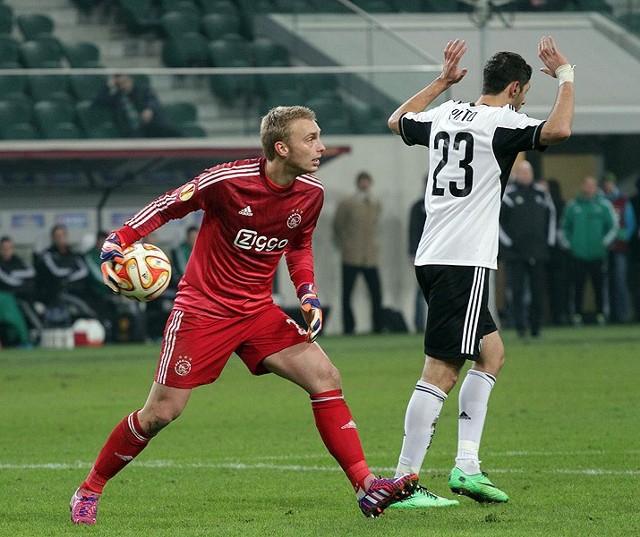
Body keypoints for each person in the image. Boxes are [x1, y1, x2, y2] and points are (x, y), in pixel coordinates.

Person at [69, 105, 418, 526]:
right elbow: (168, 205)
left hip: (257, 311)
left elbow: (298, 245)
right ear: (280, 147)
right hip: (203, 310)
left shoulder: (312, 193)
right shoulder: (226, 181)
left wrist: (307, 292)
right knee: (161, 412)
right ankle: (89, 489)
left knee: (325, 377)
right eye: (311, 139)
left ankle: (366, 486)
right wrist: (118, 239)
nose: (321, 146)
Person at [386, 36, 574, 509]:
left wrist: (442, 82)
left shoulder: (447, 113)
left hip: (433, 255)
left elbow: (397, 122)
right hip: (463, 259)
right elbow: (558, 131)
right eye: (526, 92)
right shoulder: (502, 123)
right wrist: (567, 76)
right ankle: (402, 482)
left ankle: (467, 467)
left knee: (491, 354)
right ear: (514, 88)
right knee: (442, 370)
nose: (525, 101)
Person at [499, 159, 556, 339]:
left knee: (538, 291)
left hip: (538, 251)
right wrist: (509, 243)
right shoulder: (509, 195)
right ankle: (520, 327)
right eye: (522, 172)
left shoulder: (542, 194)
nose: (526, 176)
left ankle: (536, 327)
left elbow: (551, 217)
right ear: (517, 175)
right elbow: (498, 222)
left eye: (528, 172)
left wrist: (548, 242)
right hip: (515, 253)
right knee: (516, 291)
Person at [562, 176, 618, 326]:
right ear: (582, 186)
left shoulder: (604, 205)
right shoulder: (573, 206)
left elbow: (613, 226)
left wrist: (604, 243)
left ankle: (601, 314)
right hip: (578, 254)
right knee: (577, 286)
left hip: (598, 254)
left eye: (592, 185)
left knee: (599, 286)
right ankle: (576, 315)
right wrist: (569, 244)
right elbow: (564, 227)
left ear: (596, 187)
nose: (589, 188)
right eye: (586, 185)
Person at [332, 171, 384, 334]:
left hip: (370, 256)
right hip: (351, 255)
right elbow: (338, 225)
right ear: (358, 183)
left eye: (367, 181)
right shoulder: (347, 203)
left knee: (376, 293)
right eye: (362, 181)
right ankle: (349, 327)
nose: (364, 184)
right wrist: (346, 243)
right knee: (347, 293)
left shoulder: (375, 203)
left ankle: (378, 326)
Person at [34, 224, 94, 326]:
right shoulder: (47, 255)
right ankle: (91, 319)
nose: (60, 239)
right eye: (57, 236)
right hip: (55, 294)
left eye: (62, 236)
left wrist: (68, 278)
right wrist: (71, 273)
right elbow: (57, 273)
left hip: (76, 290)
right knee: (83, 307)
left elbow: (83, 271)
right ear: (52, 238)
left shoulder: (73, 254)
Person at [93, 74, 181, 138]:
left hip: (150, 126)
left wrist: (148, 109)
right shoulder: (117, 97)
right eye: (119, 84)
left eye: (124, 82)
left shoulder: (143, 91)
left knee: (171, 131)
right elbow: (98, 100)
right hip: (132, 131)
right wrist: (108, 85)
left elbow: (152, 100)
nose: (123, 86)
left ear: (131, 80)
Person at [601, 173, 636, 323]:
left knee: (620, 282)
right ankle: (608, 314)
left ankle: (623, 315)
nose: (608, 185)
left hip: (620, 248)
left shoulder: (623, 201)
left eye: (610, 183)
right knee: (605, 283)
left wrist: (621, 236)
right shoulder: (600, 201)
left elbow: (631, 224)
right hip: (603, 248)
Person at [541, 177, 570, 325]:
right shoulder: (538, 203)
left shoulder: (560, 205)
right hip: (542, 251)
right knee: (542, 287)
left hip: (558, 253)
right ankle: (550, 317)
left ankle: (560, 315)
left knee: (558, 286)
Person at [0, 236, 35, 347]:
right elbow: (7, 280)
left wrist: (14, 275)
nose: (6, 250)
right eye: (4, 248)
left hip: (21, 295)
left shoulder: (18, 261)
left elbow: (31, 273)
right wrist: (21, 282)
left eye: (9, 248)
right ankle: (23, 338)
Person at [408, 175, 428, 332]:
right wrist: (413, 252)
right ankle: (419, 324)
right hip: (423, 254)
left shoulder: (443, 205)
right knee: (421, 291)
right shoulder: (418, 207)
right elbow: (413, 231)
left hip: (438, 254)